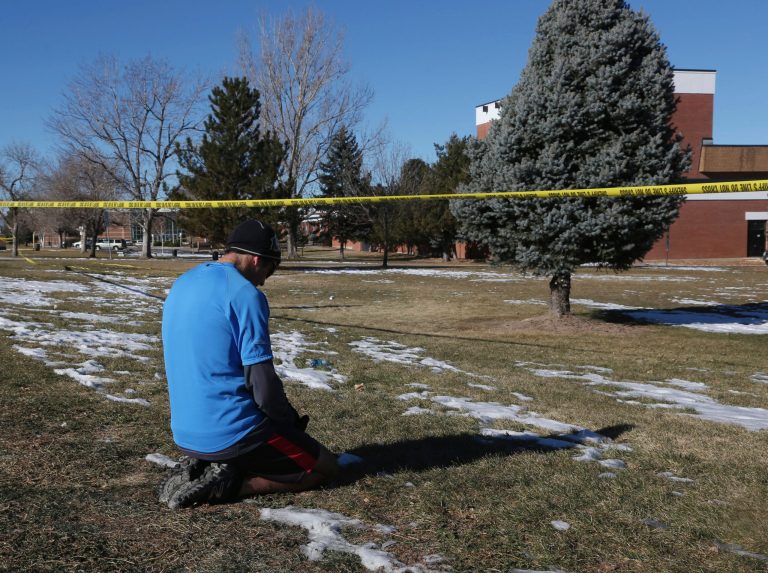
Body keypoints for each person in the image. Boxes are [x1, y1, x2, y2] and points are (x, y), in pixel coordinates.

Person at [158, 219, 339, 509]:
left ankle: (216, 463)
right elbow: (262, 385)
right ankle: (231, 484)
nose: (266, 279)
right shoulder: (246, 295)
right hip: (231, 431)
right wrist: (287, 422)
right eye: (270, 268)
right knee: (326, 468)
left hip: (184, 430)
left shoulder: (184, 282)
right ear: (256, 260)